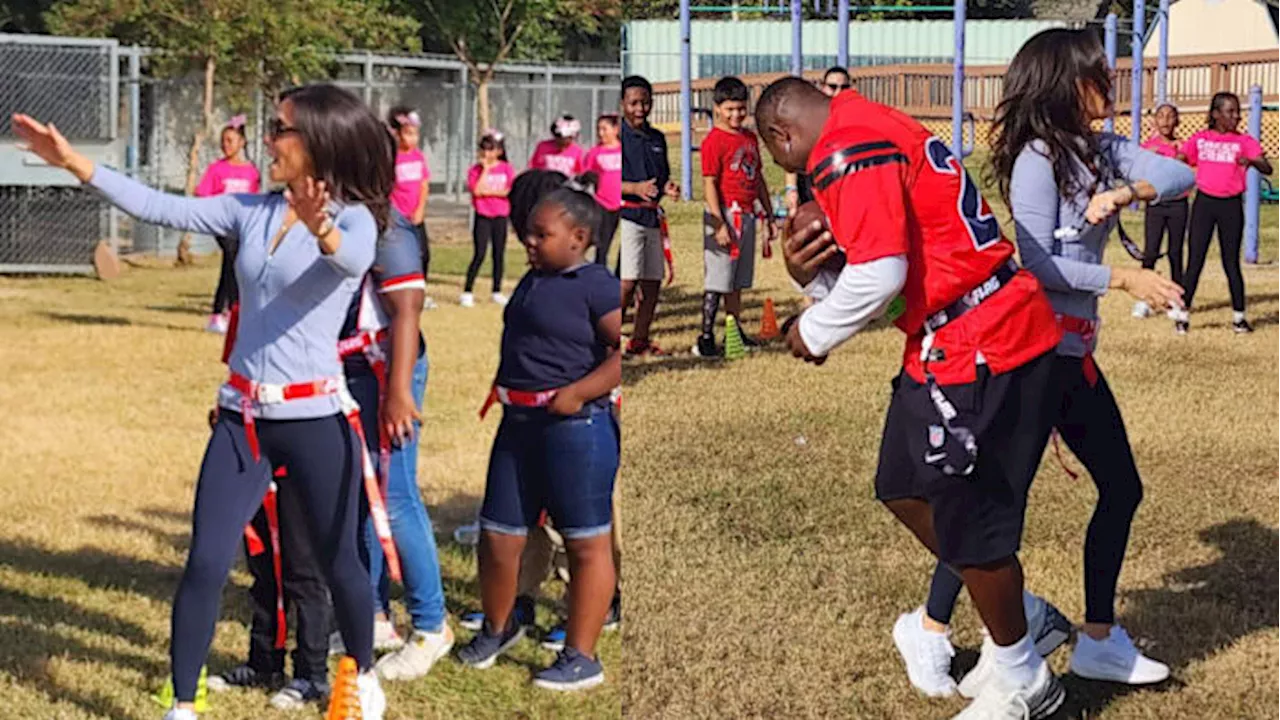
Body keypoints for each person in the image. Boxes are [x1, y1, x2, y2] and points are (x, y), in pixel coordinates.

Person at [13, 83, 394, 720]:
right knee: (207, 559)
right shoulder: (250, 210)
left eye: (281, 130)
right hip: (243, 421)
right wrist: (76, 164)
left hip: (316, 419)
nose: (268, 141)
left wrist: (319, 222)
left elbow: (351, 258)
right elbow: (161, 207)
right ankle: (182, 705)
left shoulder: (354, 218)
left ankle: (362, 677)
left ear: (321, 142)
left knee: (342, 564)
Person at [757, 76, 1069, 718]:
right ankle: (1024, 615)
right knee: (900, 484)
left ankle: (1022, 675)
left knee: (966, 512)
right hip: (949, 333)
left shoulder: (844, 149)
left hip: (980, 341)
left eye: (780, 159)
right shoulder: (869, 122)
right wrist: (812, 277)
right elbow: (901, 284)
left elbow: (882, 275)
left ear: (781, 136)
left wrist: (810, 332)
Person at [898, 29, 1193, 704]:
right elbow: (1034, 266)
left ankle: (1097, 640)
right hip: (1033, 357)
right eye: (1100, 76)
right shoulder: (1038, 157)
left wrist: (1127, 193)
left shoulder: (1100, 149)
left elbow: (1184, 175)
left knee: (1118, 487)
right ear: (1066, 81)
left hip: (1073, 357)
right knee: (997, 509)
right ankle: (931, 627)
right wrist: (1121, 278)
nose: (1111, 90)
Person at [455, 174, 621, 692]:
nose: (528, 241)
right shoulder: (536, 277)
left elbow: (624, 354)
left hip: (575, 428)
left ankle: (581, 656)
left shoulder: (596, 285)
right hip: (519, 426)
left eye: (540, 234)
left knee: (584, 542)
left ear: (579, 238)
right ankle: (499, 626)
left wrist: (579, 391)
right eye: (527, 233)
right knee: (500, 533)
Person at [335, 207, 454, 682]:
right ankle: (374, 616)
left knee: (396, 497)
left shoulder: (387, 225)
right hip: (351, 371)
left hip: (385, 372)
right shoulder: (332, 210)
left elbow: (407, 306)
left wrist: (399, 391)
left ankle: (430, 626)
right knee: (362, 494)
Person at [1177, 91, 1272, 335]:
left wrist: (1251, 162)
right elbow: (1181, 158)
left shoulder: (1244, 141)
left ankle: (1239, 317)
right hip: (1204, 203)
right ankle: (1183, 314)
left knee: (1230, 262)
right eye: (1230, 112)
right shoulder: (1201, 139)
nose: (1236, 116)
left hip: (1230, 205)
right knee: (1195, 259)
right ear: (1216, 114)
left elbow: (1267, 167)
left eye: (1238, 111)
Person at [695, 76, 776, 358]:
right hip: (725, 214)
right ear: (717, 108)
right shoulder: (714, 142)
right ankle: (705, 335)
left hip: (748, 214)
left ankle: (734, 330)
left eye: (741, 108)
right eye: (729, 109)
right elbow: (709, 184)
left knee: (738, 280)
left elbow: (759, 178)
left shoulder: (749, 138)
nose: (736, 115)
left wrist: (768, 212)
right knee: (719, 277)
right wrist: (718, 222)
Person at [620, 75, 680, 357]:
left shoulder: (656, 138)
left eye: (645, 102)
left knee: (652, 282)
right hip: (628, 216)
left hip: (652, 218)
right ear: (623, 104)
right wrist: (634, 188)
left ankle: (639, 341)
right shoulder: (617, 138)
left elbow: (662, 176)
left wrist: (667, 187)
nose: (640, 108)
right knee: (627, 282)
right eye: (633, 103)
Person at [194, 115, 260, 334]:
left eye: (230, 140)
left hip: (243, 227)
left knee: (231, 265)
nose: (226, 145)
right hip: (223, 226)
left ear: (241, 142)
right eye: (223, 140)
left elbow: (254, 199)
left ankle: (218, 314)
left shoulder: (251, 171)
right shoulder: (216, 169)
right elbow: (202, 194)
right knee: (232, 257)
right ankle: (234, 311)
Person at [1135, 103, 1190, 319]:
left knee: (1176, 253)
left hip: (1178, 204)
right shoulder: (1149, 147)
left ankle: (1176, 300)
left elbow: (1192, 169)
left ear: (1177, 121)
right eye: (1161, 116)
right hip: (1156, 204)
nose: (1166, 121)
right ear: (1155, 121)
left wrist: (1182, 161)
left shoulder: (1183, 147)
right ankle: (1145, 300)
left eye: (1170, 116)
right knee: (1150, 252)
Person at [782, 66, 850, 218]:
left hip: (842, 193)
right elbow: (792, 156)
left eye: (844, 87)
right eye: (833, 87)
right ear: (822, 87)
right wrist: (791, 189)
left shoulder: (853, 119)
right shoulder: (808, 118)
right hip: (811, 191)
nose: (838, 93)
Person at [389, 106, 437, 309]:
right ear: (397, 134)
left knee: (423, 254)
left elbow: (424, 184)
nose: (413, 139)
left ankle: (421, 294)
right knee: (399, 256)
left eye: (415, 134)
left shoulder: (418, 156)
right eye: (408, 134)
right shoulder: (392, 158)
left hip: (415, 216)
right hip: (397, 218)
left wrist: (420, 209)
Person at [463, 129, 515, 308]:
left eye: (491, 149)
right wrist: (485, 170)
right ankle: (467, 291)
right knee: (480, 253)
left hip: (500, 216)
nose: (487, 153)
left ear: (499, 151)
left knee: (498, 254)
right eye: (484, 149)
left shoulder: (506, 168)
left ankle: (497, 291)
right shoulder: (475, 170)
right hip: (483, 216)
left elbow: (508, 191)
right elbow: (476, 190)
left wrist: (489, 192)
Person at [584, 114, 623, 267]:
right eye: (598, 129)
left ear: (615, 129)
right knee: (602, 245)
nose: (601, 133)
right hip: (603, 204)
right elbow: (585, 173)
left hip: (624, 203)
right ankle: (600, 276)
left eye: (604, 129)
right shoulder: (595, 153)